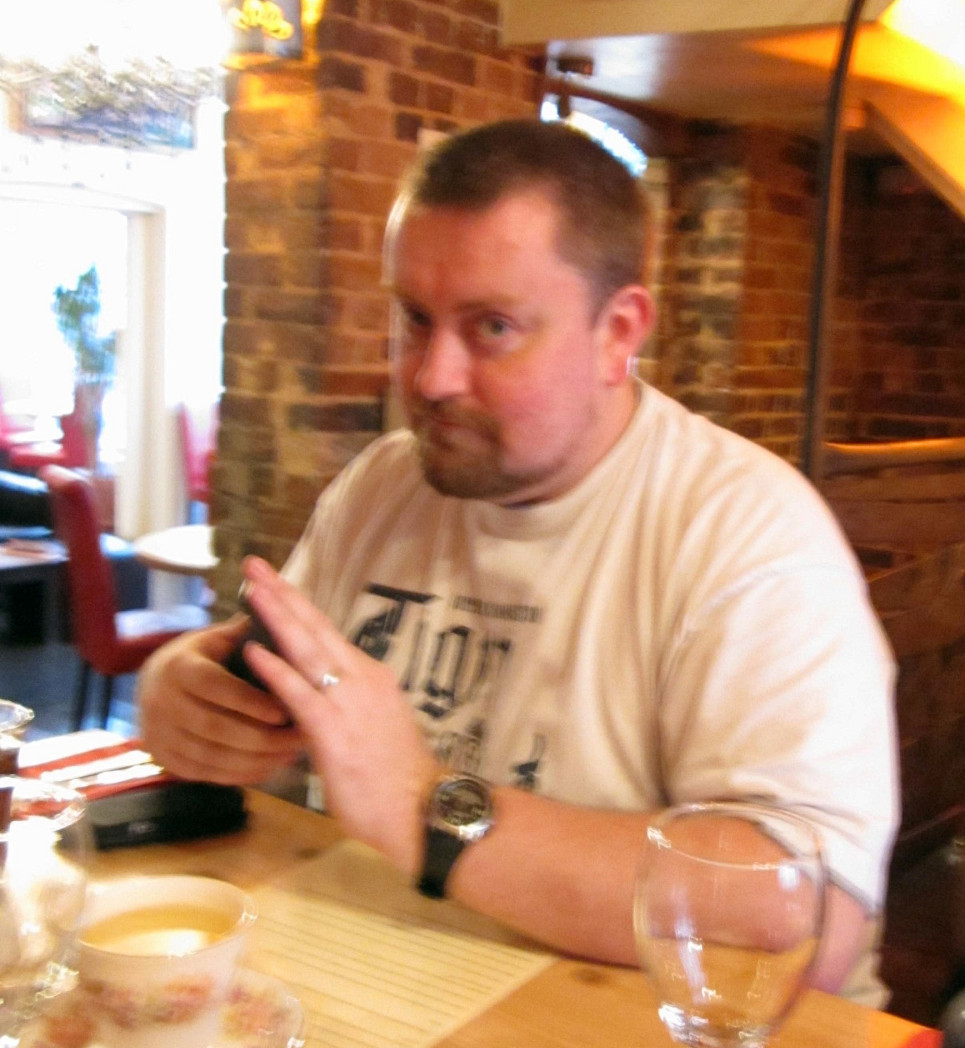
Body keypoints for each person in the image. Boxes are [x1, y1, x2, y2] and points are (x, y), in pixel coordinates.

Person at [140, 119, 898, 994]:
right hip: (397, 985)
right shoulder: (384, 484)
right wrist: (183, 695)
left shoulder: (748, 533)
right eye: (415, 320)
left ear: (618, 333)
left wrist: (426, 808)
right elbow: (288, 708)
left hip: (651, 1046)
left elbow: (806, 919)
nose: (432, 377)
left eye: (492, 327)